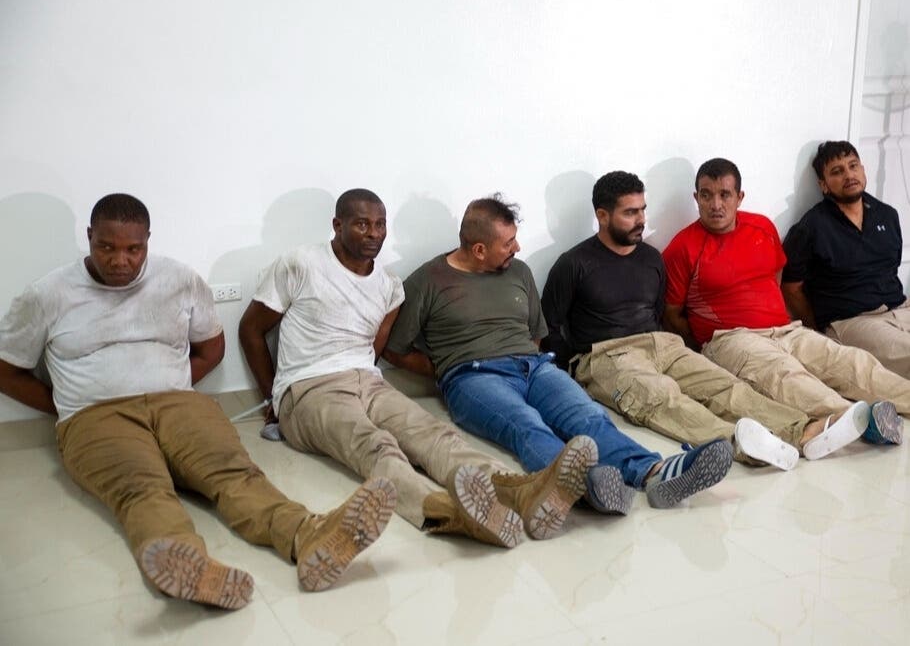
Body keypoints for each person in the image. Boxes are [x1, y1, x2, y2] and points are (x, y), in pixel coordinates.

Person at [0, 193, 397, 610]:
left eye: (133, 249)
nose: (121, 260)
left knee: (235, 474)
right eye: (106, 247)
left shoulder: (179, 279)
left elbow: (211, 347)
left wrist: (172, 384)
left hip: (177, 403)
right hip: (95, 416)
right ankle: (189, 566)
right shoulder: (48, 294)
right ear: (89, 238)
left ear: (148, 241)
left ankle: (309, 534)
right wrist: (69, 406)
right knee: (141, 488)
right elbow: (6, 369)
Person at [238, 188, 594, 546]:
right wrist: (276, 399)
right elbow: (251, 330)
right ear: (337, 225)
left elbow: (374, 348)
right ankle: (448, 512)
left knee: (434, 435)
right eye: (362, 224)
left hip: (368, 381)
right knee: (375, 445)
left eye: (380, 224)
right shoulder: (300, 264)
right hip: (309, 387)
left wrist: (365, 379)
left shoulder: (389, 286)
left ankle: (517, 490)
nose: (373, 233)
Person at [384, 194, 733, 513]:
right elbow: (394, 350)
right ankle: (585, 483)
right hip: (474, 375)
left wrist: (528, 363)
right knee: (527, 426)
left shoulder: (518, 273)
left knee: (589, 418)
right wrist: (448, 369)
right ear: (478, 250)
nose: (517, 247)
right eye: (507, 243)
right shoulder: (428, 281)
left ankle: (656, 473)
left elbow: (537, 334)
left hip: (535, 367)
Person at [541, 170, 850, 471]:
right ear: (602, 215)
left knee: (726, 386)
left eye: (643, 210)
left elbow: (659, 311)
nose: (641, 220)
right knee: (661, 397)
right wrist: (571, 377)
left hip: (663, 345)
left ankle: (800, 431)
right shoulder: (574, 263)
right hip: (608, 354)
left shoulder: (650, 259)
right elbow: (551, 327)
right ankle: (743, 443)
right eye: (630, 213)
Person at [662, 158, 907, 453]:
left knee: (850, 361)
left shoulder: (761, 227)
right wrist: (706, 344)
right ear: (696, 198)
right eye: (706, 195)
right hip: (730, 338)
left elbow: (775, 276)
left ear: (739, 197)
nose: (716, 204)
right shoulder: (682, 247)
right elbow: (672, 314)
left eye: (725, 194)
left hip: (784, 329)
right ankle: (855, 420)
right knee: (785, 374)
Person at [782, 140, 910, 378]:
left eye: (853, 166)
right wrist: (818, 329)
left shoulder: (887, 214)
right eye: (837, 171)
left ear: (863, 170)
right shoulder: (811, 227)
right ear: (824, 185)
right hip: (854, 322)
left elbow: (891, 268)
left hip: (900, 307)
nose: (849, 175)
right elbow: (791, 288)